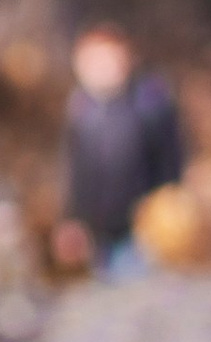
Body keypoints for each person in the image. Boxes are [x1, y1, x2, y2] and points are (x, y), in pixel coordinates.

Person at [53, 28, 185, 275]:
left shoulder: (149, 102)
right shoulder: (81, 109)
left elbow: (170, 160)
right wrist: (71, 219)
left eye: (108, 60)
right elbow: (72, 172)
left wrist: (164, 212)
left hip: (142, 231)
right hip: (98, 233)